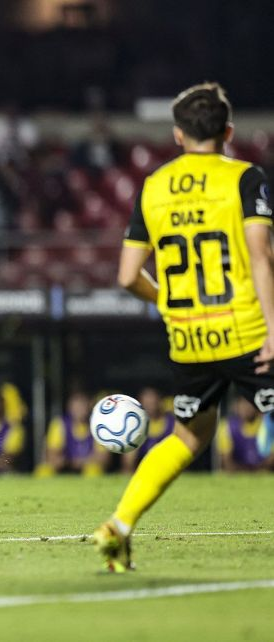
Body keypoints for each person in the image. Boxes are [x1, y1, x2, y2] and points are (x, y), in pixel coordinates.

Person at [93, 83, 274, 572]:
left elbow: (128, 276)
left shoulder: (153, 186)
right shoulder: (244, 177)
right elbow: (261, 256)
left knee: (188, 437)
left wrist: (169, 304)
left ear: (177, 135)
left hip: (190, 337)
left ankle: (120, 525)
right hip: (246, 328)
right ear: (228, 132)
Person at [39, 390, 108, 476]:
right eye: (76, 407)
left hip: (87, 468)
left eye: (82, 406)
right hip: (64, 469)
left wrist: (78, 462)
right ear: (69, 407)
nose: (80, 411)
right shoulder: (60, 424)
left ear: (89, 406)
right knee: (43, 471)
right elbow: (52, 456)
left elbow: (103, 458)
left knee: (93, 470)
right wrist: (65, 462)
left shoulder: (98, 427)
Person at [120, 387, 175, 474]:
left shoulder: (172, 422)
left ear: (159, 401)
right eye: (147, 403)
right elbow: (128, 463)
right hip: (142, 470)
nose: (150, 406)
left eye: (153, 403)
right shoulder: (135, 426)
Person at [216, 397, 274, 472]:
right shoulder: (227, 427)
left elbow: (272, 458)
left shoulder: (267, 424)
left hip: (264, 471)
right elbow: (226, 461)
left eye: (249, 404)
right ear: (236, 406)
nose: (246, 408)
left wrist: (258, 471)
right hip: (236, 473)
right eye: (243, 405)